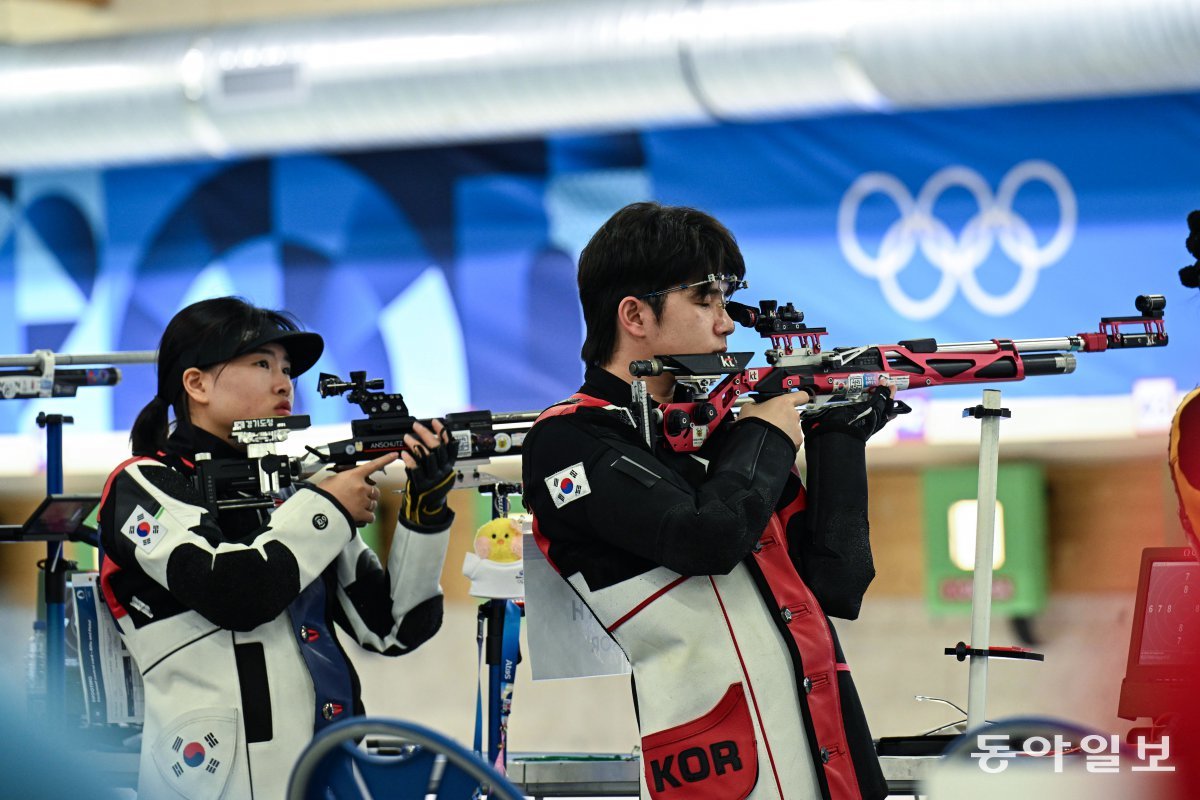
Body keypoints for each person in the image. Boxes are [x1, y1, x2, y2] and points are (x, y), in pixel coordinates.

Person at [522, 202, 895, 800]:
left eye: (726, 301)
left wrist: (840, 439)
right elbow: (706, 538)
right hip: (725, 773)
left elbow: (838, 583)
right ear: (635, 315)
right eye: (705, 300)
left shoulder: (718, 437)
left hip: (828, 760)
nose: (726, 324)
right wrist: (768, 430)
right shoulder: (569, 438)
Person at [97, 296, 456, 799]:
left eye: (286, 368)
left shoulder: (289, 493)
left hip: (329, 770)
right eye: (261, 363)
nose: (283, 381)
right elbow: (235, 592)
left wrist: (426, 509)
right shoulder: (142, 483)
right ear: (196, 383)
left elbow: (395, 627)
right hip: (213, 778)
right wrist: (326, 506)